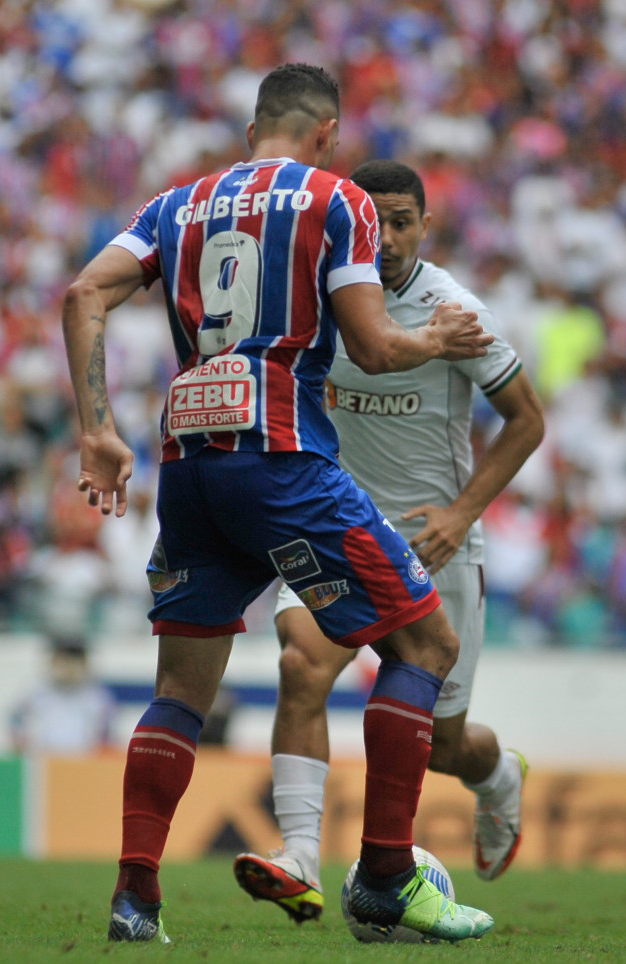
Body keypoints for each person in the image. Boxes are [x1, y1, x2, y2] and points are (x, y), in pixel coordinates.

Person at [63, 64, 497, 944]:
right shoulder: (338, 200)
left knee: (181, 690)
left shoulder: (173, 206)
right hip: (282, 455)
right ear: (327, 133)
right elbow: (373, 350)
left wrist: (96, 432)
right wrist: (435, 338)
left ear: (253, 124)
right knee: (426, 643)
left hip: (187, 456)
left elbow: (83, 295)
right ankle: (384, 876)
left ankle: (135, 899)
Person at [231, 160, 545, 923]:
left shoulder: (453, 309)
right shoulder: (320, 301)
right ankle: (299, 856)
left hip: (432, 545)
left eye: (404, 221)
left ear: (423, 226)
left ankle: (497, 774)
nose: (391, 237)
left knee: (443, 746)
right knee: (302, 664)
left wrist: (461, 513)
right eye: (379, 221)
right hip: (338, 527)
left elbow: (528, 420)